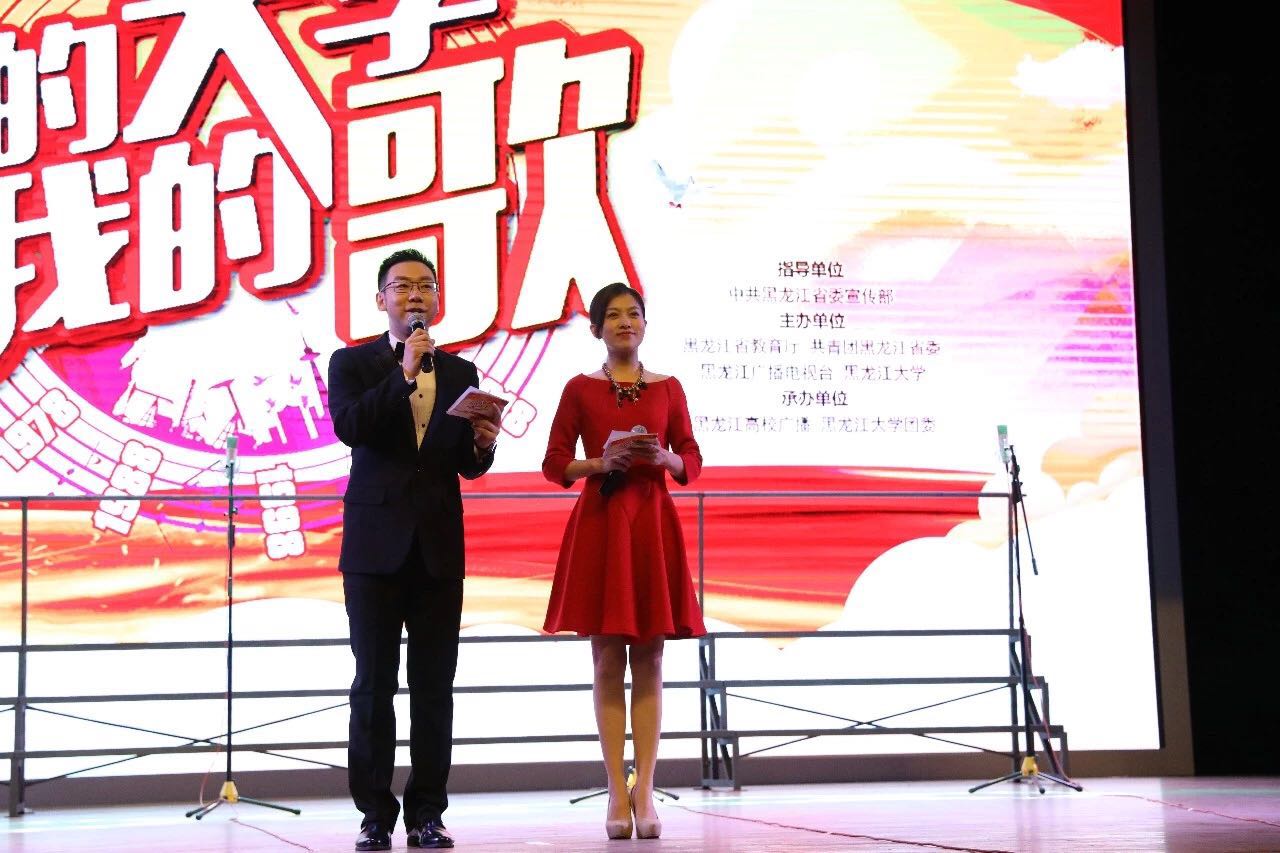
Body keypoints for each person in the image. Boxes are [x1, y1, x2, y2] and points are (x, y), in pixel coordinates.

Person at [327, 248, 501, 851]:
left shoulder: (460, 372)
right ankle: (375, 814)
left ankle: (427, 812)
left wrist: (482, 445)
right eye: (401, 286)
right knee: (373, 684)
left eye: (425, 285)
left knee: (434, 686)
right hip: (373, 548)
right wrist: (402, 373)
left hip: (438, 548)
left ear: (437, 298)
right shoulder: (352, 363)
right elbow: (351, 427)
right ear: (381, 299)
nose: (415, 295)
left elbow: (464, 464)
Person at [541, 282, 705, 841]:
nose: (625, 323)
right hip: (602, 523)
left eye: (633, 314)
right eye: (613, 315)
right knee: (607, 658)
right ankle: (616, 788)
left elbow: (691, 458)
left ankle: (647, 789)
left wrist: (665, 457)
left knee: (652, 657)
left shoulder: (669, 387)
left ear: (645, 324)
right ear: (596, 328)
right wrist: (599, 462)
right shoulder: (578, 388)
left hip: (652, 524)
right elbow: (554, 464)